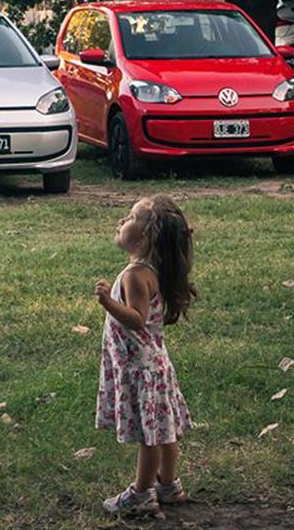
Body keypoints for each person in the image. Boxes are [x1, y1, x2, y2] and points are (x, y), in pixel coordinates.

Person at [94, 195, 197, 516]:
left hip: (140, 367)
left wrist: (108, 303)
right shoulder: (151, 269)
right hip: (155, 364)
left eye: (130, 217)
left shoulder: (135, 275)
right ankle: (169, 484)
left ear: (146, 235)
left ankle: (141, 493)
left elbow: (136, 319)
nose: (122, 221)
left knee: (149, 435)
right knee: (164, 429)